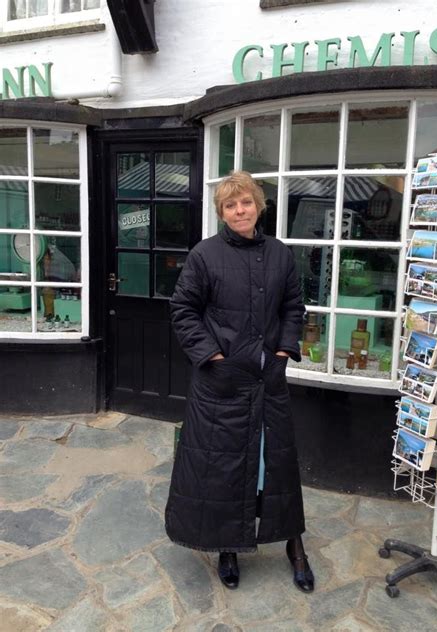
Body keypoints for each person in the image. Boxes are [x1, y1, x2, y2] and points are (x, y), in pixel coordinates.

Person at [165, 171, 314, 592]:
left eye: (245, 202)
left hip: (268, 379)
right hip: (221, 382)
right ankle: (226, 544)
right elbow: (184, 310)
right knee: (224, 466)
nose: (239, 210)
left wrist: (283, 352)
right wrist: (212, 356)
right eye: (230, 205)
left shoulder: (281, 255)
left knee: (278, 466)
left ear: (258, 205)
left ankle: (293, 544)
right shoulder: (204, 256)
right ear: (222, 212)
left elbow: (292, 307)